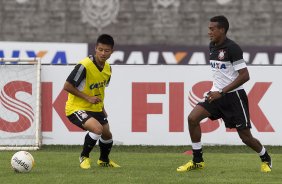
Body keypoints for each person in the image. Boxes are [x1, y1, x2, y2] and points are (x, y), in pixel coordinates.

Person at [177, 15, 272, 173]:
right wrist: (217, 91)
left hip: (234, 97)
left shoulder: (232, 48)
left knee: (245, 137)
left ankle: (265, 157)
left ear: (222, 30)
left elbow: (244, 75)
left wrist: (221, 92)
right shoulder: (212, 46)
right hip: (216, 96)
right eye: (209, 29)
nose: (209, 32)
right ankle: (197, 161)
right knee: (192, 118)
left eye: (212, 29)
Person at [64, 34, 120, 169]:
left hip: (96, 108)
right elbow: (67, 86)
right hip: (76, 107)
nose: (103, 53)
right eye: (100, 49)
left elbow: (99, 90)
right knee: (97, 129)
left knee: (107, 135)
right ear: (95, 48)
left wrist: (102, 108)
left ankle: (103, 160)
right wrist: (87, 98)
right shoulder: (84, 66)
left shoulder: (108, 68)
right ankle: (84, 157)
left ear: (111, 52)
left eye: (106, 51)